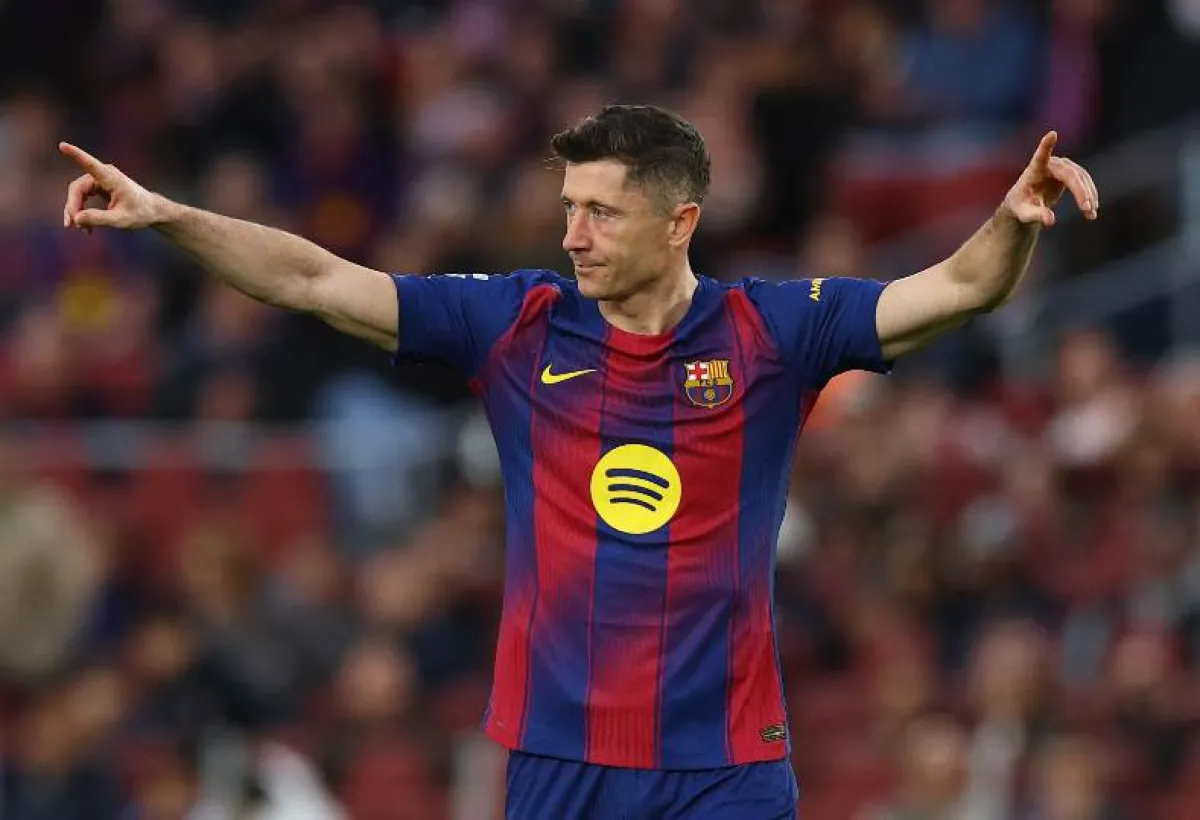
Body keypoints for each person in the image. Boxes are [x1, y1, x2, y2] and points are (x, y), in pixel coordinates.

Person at [59, 104, 1098, 819]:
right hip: (561, 761)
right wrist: (169, 218)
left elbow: (956, 288)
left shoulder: (774, 331)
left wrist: (1011, 224)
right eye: (568, 209)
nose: (574, 235)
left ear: (679, 222)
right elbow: (315, 280)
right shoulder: (516, 323)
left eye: (601, 211)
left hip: (727, 766)